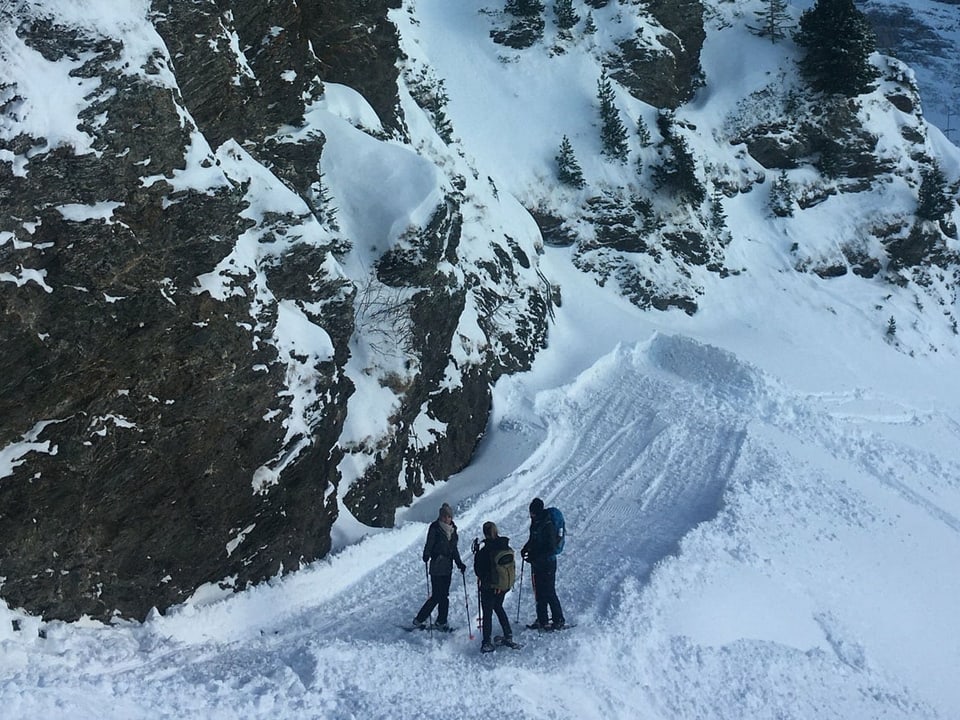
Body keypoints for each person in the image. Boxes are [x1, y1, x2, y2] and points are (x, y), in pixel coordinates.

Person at [413, 503, 466, 629]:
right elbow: (429, 543)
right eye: (443, 516)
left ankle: (441, 620)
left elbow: (454, 549)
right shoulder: (435, 528)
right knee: (437, 595)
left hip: (447, 566)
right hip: (436, 565)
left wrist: (459, 563)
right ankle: (420, 619)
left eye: (448, 516)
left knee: (444, 595)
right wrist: (426, 554)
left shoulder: (453, 530)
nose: (446, 518)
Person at [521, 497, 565, 630]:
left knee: (549, 591)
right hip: (538, 563)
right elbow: (533, 539)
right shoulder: (536, 522)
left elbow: (550, 548)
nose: (531, 514)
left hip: (548, 563)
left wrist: (535, 555)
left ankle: (558, 619)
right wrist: (526, 548)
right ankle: (542, 619)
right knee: (539, 592)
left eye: (532, 512)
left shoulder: (547, 524)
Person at [473, 521, 514, 653]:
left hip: (489, 586)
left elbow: (479, 570)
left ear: (485, 533)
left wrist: (476, 554)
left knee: (487, 613)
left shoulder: (486, 551)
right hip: (502, 585)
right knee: (498, 607)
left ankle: (486, 642)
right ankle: (508, 634)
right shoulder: (504, 545)